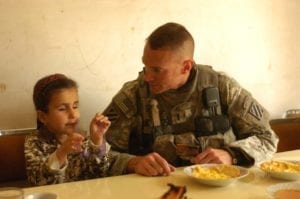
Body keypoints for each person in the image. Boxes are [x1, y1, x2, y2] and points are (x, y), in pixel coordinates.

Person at [103, 22, 279, 177]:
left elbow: (267, 138)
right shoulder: (133, 96)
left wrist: (231, 155)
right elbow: (96, 154)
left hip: (218, 186)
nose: (147, 77)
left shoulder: (222, 88)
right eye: (145, 66)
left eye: (157, 70)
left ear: (186, 66)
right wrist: (132, 163)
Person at [25, 74, 130, 186]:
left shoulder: (82, 139)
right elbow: (38, 182)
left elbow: (101, 172)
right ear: (43, 117)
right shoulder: (34, 142)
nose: (73, 114)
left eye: (75, 106)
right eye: (62, 109)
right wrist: (62, 152)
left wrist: (97, 141)